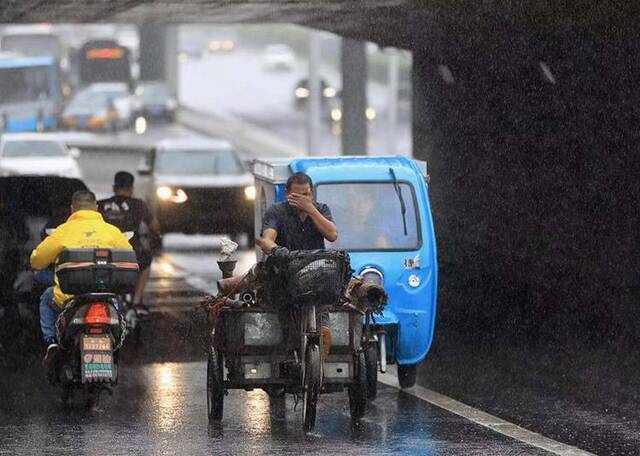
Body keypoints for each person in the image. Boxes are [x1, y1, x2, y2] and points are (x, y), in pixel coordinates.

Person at [30, 190, 133, 370]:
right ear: (96, 208)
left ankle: (52, 343)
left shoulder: (62, 231)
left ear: (72, 209)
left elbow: (37, 261)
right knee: (120, 310)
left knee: (46, 299)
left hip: (69, 299)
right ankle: (115, 347)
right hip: (106, 297)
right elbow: (130, 258)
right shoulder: (112, 232)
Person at [255, 172, 338, 359]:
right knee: (284, 306)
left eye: (307, 195)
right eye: (297, 195)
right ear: (287, 194)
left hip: (315, 273)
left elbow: (332, 234)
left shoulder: (321, 209)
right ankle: (289, 351)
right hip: (284, 274)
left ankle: (323, 334)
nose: (303, 199)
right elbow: (267, 239)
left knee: (325, 295)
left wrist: (311, 210)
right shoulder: (275, 211)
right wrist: (277, 250)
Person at [98, 171, 161, 316]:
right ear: (131, 188)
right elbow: (155, 226)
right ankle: (136, 302)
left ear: (114, 187)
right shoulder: (139, 205)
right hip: (132, 254)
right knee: (146, 264)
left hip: (106, 254)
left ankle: (108, 299)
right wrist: (156, 235)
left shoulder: (101, 205)